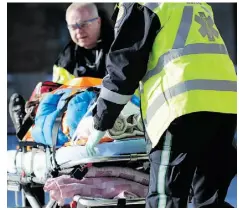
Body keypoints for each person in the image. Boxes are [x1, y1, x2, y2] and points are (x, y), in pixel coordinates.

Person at [84, 3, 237, 208]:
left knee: (166, 199)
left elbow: (124, 68)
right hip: (224, 105)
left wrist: (101, 122)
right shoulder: (196, 3)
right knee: (210, 200)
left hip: (181, 108)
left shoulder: (143, 6)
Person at [9, 3, 114, 133]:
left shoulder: (118, 48)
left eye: (84, 24)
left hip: (116, 107)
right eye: (73, 27)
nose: (79, 31)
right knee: (45, 90)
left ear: (98, 21)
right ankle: (26, 127)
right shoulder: (66, 61)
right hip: (78, 111)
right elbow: (58, 95)